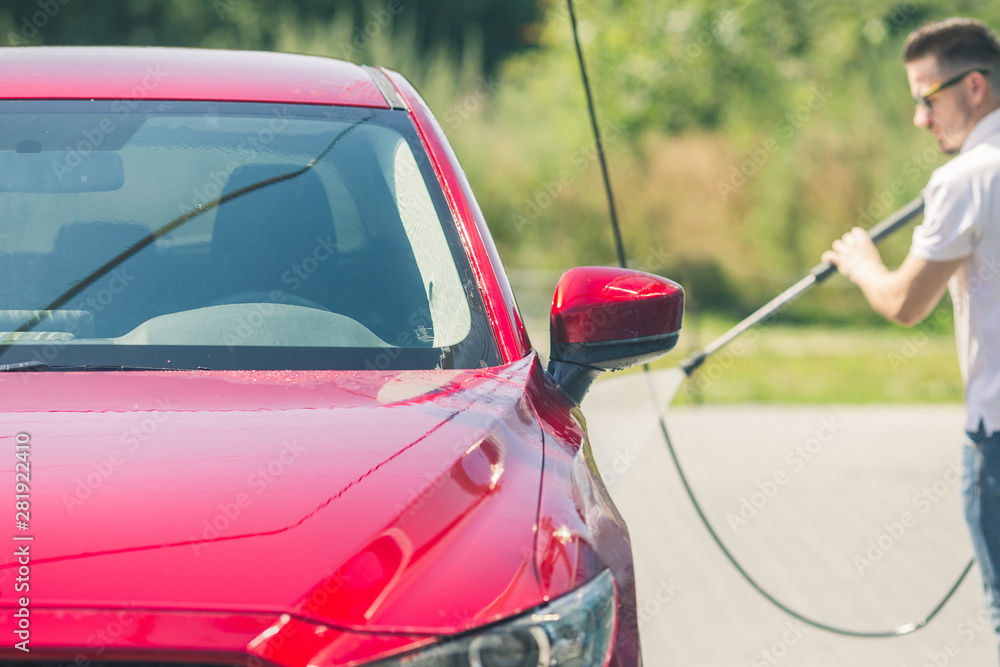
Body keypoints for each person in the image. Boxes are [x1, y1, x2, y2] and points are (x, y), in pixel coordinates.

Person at [822, 17, 1000, 652]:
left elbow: (904, 303)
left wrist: (862, 264)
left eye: (927, 98)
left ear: (973, 87)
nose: (920, 119)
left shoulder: (967, 178)